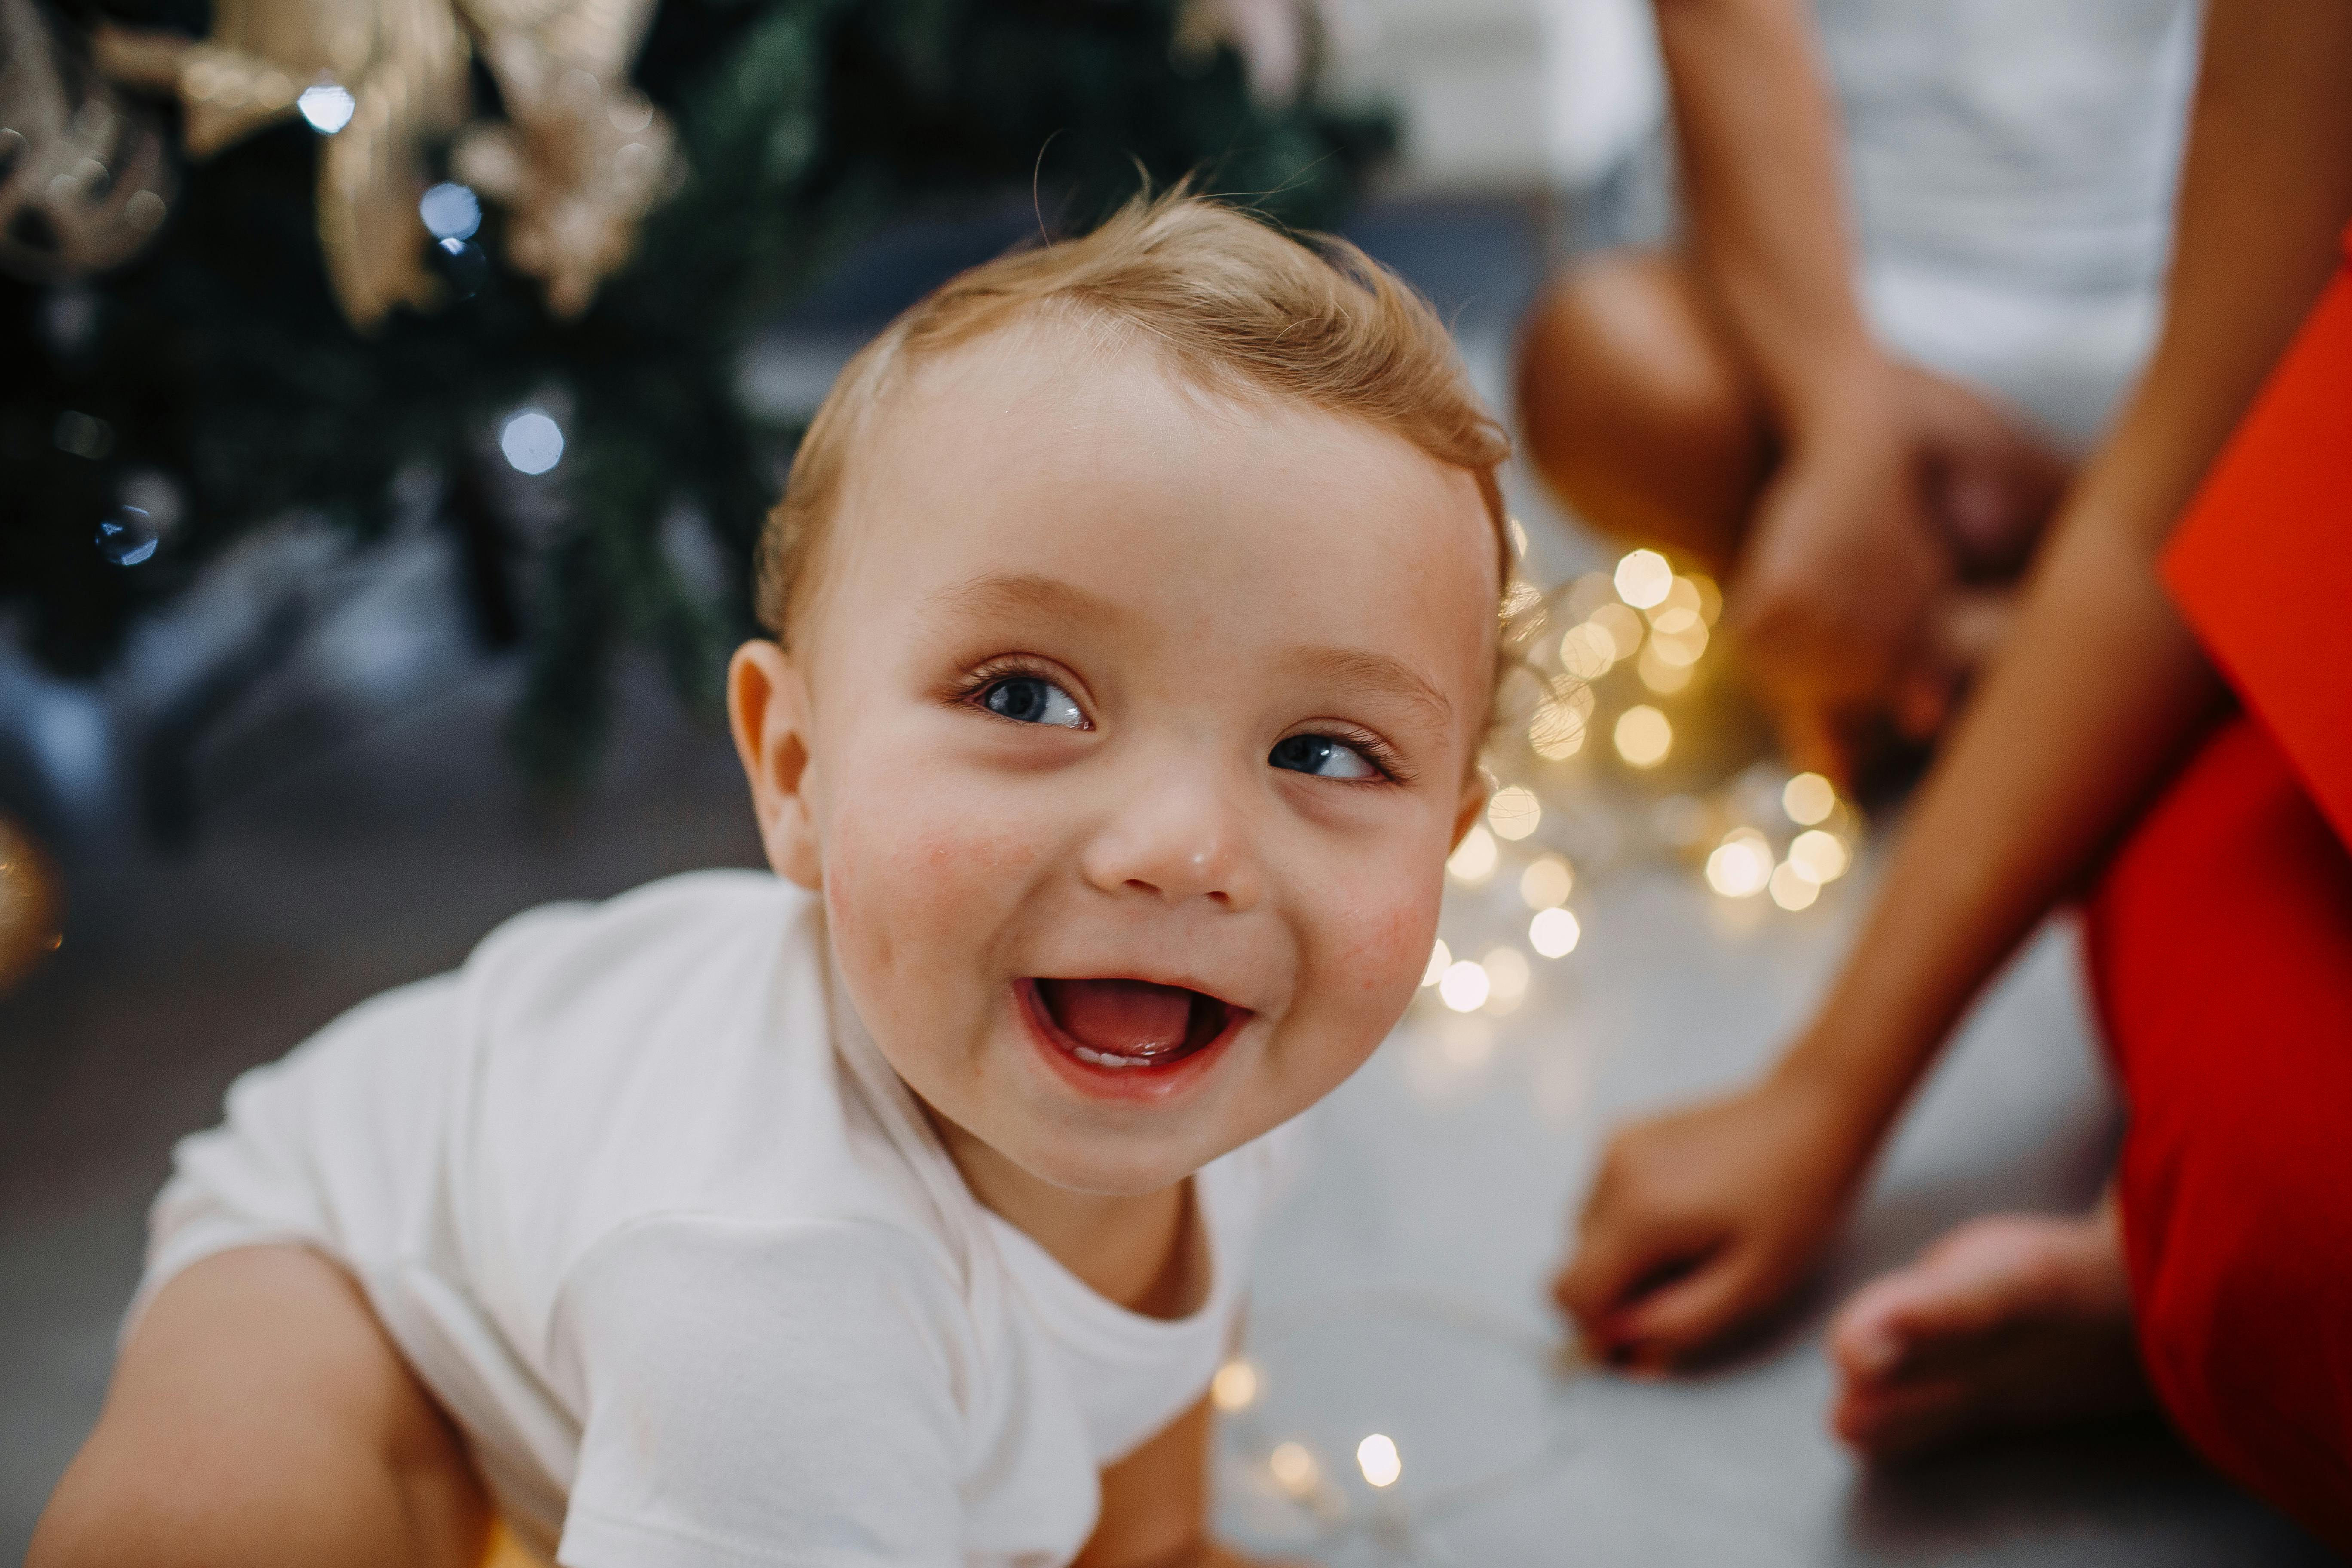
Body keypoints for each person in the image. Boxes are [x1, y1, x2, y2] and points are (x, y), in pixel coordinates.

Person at [27, 192, 1511, 1568]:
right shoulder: (776, 1285)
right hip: (357, 1257)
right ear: (794, 769)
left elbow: (1151, 1372)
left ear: (1445, 839)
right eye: (1028, 698)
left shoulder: (1222, 1053)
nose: (1185, 849)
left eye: (1324, 749)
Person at [1552, 0, 2352, 1550]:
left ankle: (2159, 1294)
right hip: (2293, 635)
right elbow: (2189, 464)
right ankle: (2182, 1286)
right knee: (2287, 1256)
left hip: (2197, 500)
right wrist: (1822, 1094)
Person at [1516, 0, 2194, 781]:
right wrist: (1850, 445)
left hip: (2149, 320)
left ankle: (1948, 649)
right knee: (1605, 361)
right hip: (1809, 303)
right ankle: (2030, 639)